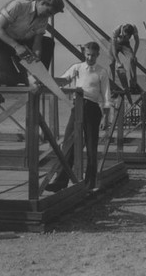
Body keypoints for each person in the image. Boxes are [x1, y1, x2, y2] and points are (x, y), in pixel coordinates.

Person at [46, 41, 112, 192]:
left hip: (92, 109)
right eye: (88, 54)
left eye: (93, 55)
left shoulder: (102, 72)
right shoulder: (77, 68)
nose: (90, 57)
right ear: (84, 52)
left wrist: (106, 118)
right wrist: (46, 79)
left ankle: (90, 183)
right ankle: (60, 181)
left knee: (91, 146)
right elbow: (62, 82)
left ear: (97, 55)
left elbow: (107, 97)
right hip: (77, 107)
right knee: (68, 144)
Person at [0, 0, 65, 86]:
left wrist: (36, 63)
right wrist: (16, 46)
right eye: (48, 12)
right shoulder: (19, 5)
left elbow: (37, 44)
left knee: (48, 42)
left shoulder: (43, 18)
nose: (48, 15)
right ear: (42, 3)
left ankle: (39, 78)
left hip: (20, 43)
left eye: (51, 14)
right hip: (0, 41)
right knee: (11, 79)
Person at [109, 23, 139, 91]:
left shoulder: (134, 28)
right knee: (112, 61)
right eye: (125, 36)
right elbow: (113, 48)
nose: (127, 37)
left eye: (129, 37)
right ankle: (111, 86)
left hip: (125, 44)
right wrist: (118, 61)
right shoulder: (116, 30)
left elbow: (137, 42)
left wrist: (134, 54)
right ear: (123, 32)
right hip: (115, 44)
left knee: (132, 59)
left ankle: (133, 86)